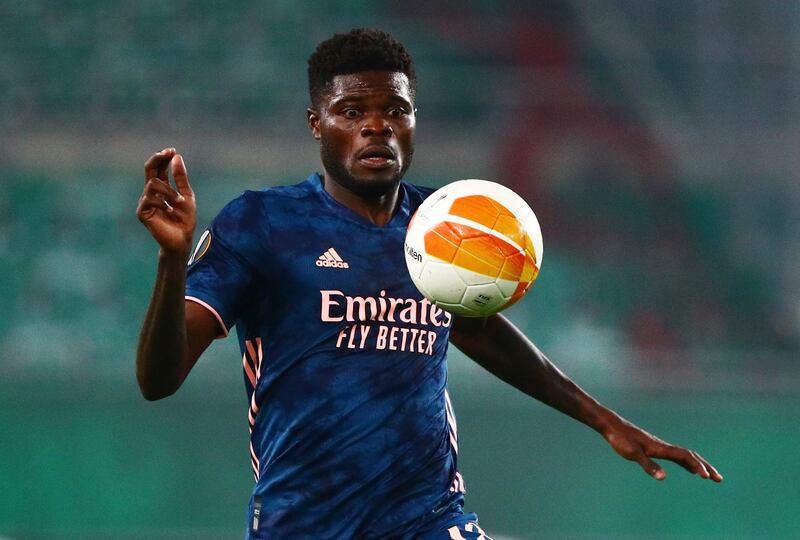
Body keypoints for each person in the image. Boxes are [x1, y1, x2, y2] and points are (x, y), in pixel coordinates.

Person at [135, 28, 722, 540]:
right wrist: (173, 261)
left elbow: (481, 331)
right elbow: (158, 381)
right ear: (317, 123)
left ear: (415, 120)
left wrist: (605, 421)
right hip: (304, 522)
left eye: (395, 110)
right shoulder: (261, 222)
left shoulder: (444, 226)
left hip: (428, 519)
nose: (376, 127)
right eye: (352, 111)